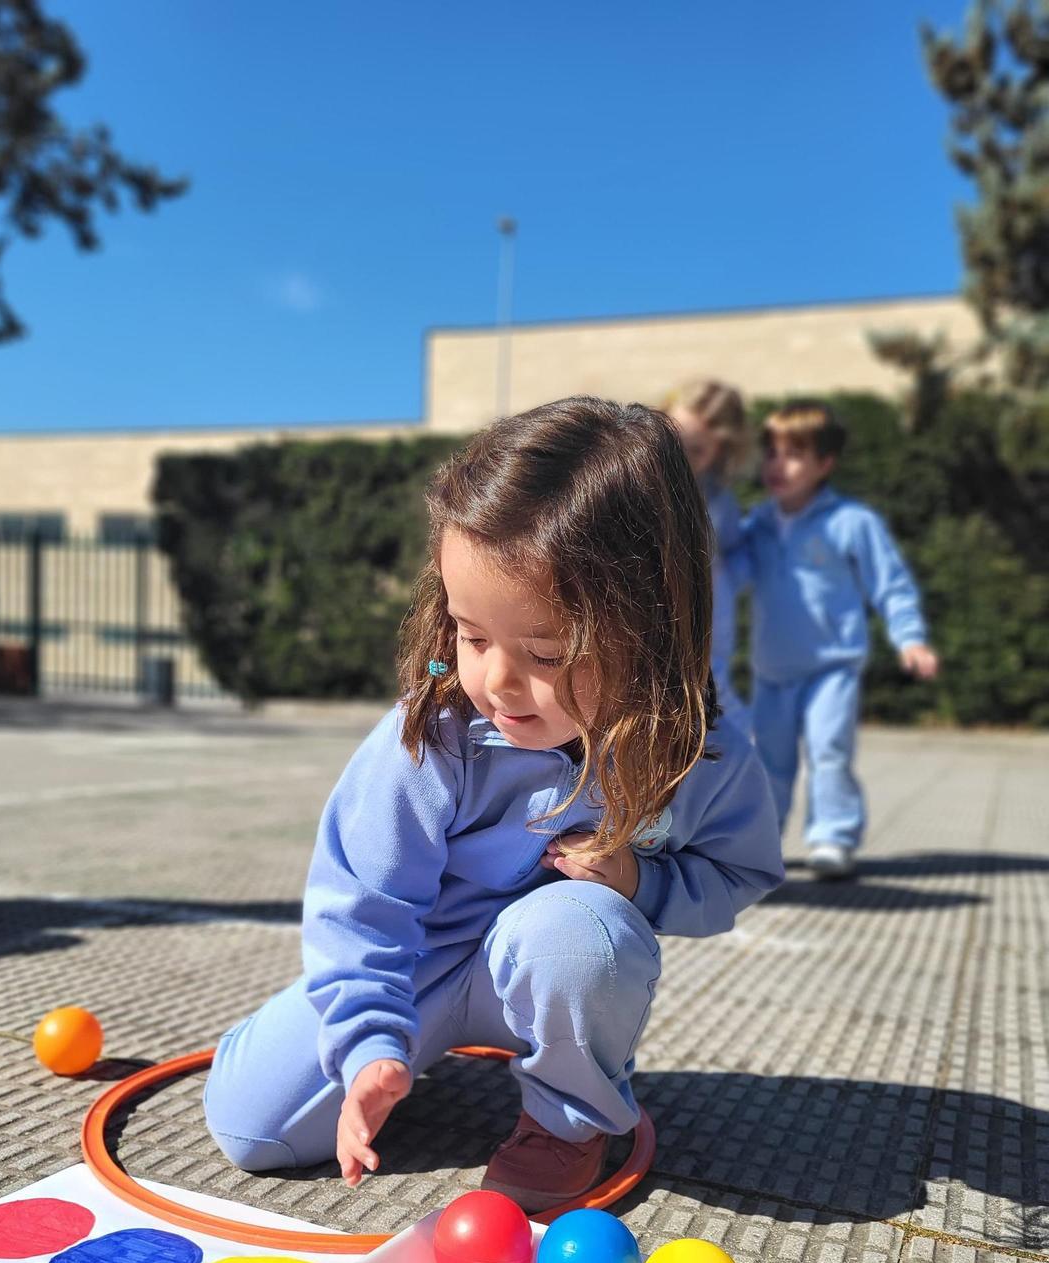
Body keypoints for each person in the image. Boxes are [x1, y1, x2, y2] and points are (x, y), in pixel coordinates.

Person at [205, 398, 784, 1211]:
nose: (499, 682)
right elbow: (361, 900)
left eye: (546, 652)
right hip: (415, 966)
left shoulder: (701, 747)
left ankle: (569, 1115)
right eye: (473, 636)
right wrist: (371, 1039)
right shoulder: (436, 730)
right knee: (250, 1130)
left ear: (650, 624)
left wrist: (639, 885)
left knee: (578, 938)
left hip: (550, 970)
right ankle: (364, 1040)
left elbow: (738, 869)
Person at [729, 400, 938, 880]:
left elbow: (890, 582)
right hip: (772, 669)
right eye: (772, 454)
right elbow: (730, 575)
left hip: (832, 667)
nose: (778, 465)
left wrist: (911, 638)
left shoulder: (851, 521)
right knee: (769, 762)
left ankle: (833, 837)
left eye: (794, 454)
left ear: (825, 464)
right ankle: (764, 839)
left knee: (829, 751)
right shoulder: (756, 523)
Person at [664, 380, 752, 734]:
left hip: (707, 635)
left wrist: (722, 581)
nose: (681, 456)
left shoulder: (718, 500)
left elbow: (734, 552)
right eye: (674, 439)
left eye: (696, 450)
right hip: (652, 629)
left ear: (721, 451)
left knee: (722, 717)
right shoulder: (631, 479)